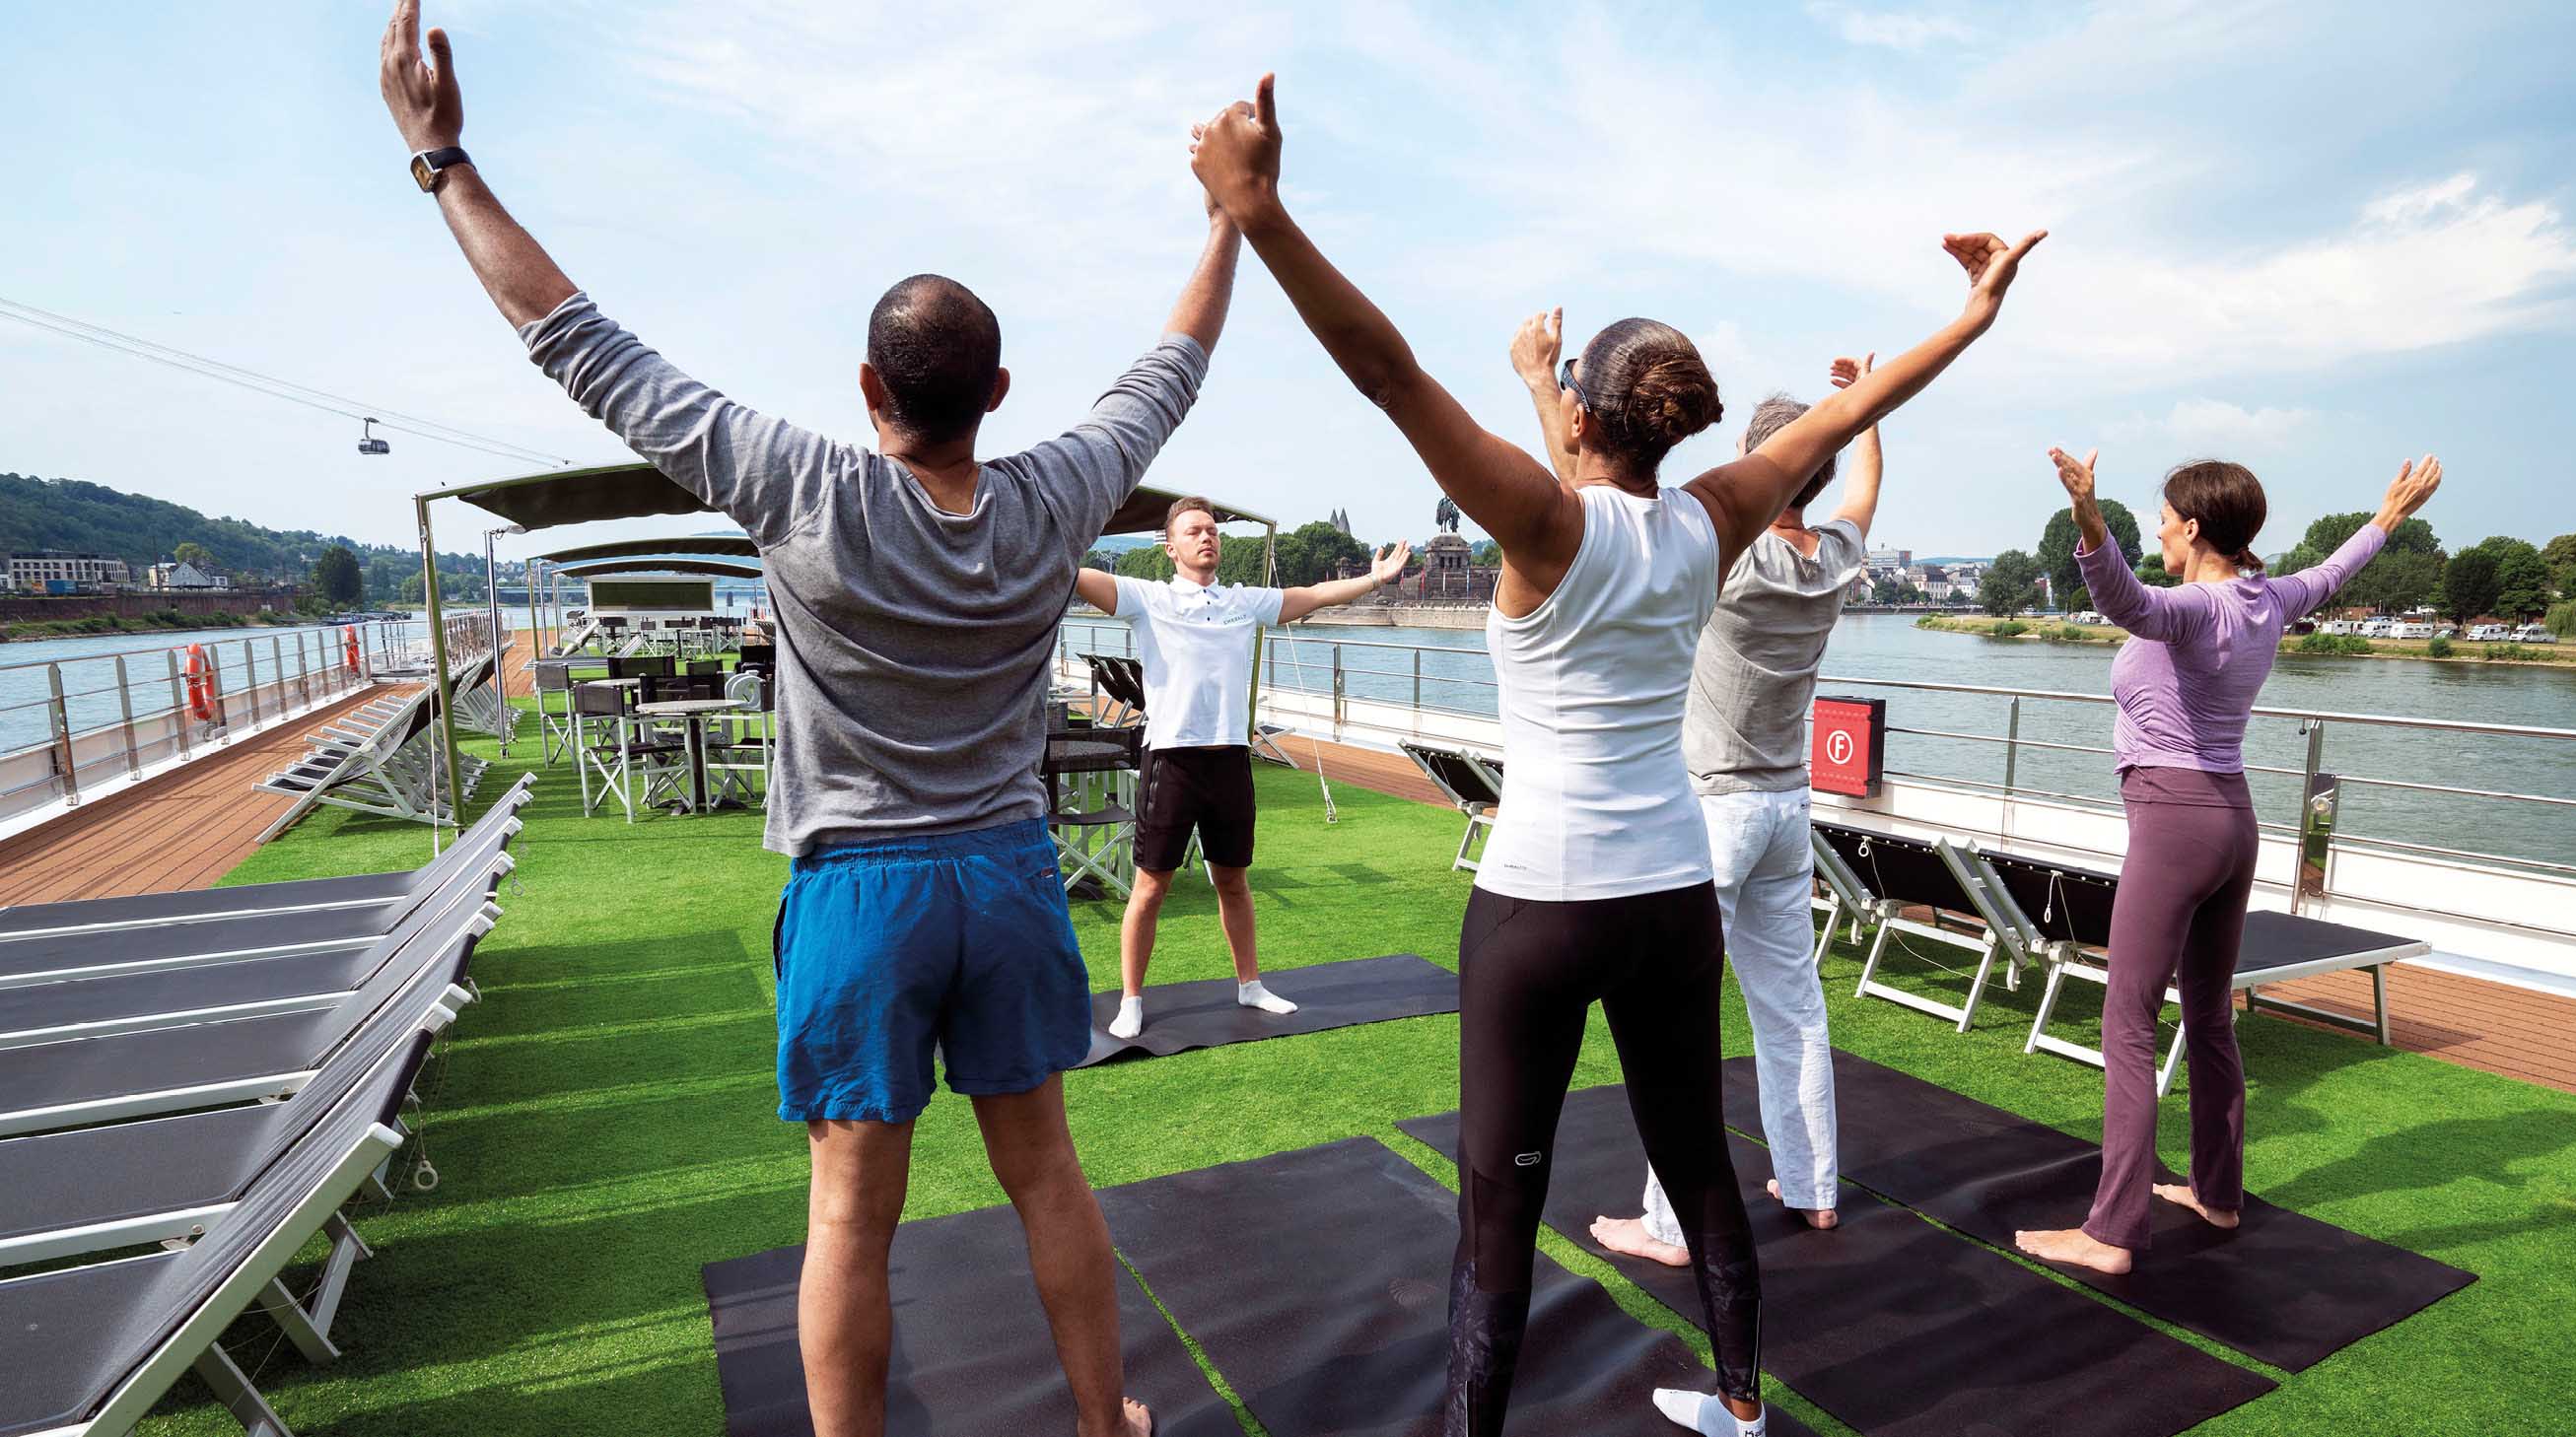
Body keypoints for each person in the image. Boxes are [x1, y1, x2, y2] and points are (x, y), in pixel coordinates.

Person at [378, 7, 1239, 1433]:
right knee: (1049, 1174)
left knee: (849, 1214)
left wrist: (441, 159)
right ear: (1000, 393)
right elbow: (1173, 367)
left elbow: (575, 342)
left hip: (862, 892)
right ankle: (1106, 1423)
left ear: (865, 387)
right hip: (1010, 877)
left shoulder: (800, 483)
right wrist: (1230, 216)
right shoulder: (1055, 492)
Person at [1187, 73, 2041, 1437]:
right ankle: (1744, 1407)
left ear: (1584, 414)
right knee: (1699, 1160)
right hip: (1662, 901)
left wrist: (1261, 213)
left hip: (1536, 904)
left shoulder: (1545, 526)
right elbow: (1834, 424)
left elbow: (1389, 375)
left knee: (1498, 1197)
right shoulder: (1711, 518)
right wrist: (1975, 313)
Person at [2012, 448, 2442, 1277]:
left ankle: (2109, 1233)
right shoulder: (2267, 599)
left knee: (2129, 1021)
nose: (2160, 531)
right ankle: (2215, 1192)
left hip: (2174, 822)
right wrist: (2389, 514)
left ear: (2194, 527)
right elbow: (2334, 569)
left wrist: (2088, 515)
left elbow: (2120, 599)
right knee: (2206, 1013)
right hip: (2234, 822)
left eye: (2164, 519)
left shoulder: (2191, 608)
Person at [1515, 335, 1890, 1261]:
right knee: (1792, 1008)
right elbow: (1860, 495)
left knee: (1674, 1027)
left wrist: (1542, 390)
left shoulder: (1724, 555)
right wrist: (1866, 405)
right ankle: (1812, 1190)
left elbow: (1586, 501)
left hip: (1710, 812)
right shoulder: (1832, 562)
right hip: (1786, 809)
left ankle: (1666, 1222)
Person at [1071, 500, 1409, 1038]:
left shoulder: (1243, 603)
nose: (1206, 537)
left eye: (1211, 530)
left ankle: (1250, 984)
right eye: (1193, 531)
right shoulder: (1147, 597)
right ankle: (1132, 998)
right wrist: (1040, 539)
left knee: (1233, 881)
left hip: (1229, 760)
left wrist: (1373, 580)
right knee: (1151, 886)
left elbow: (1314, 597)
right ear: (1170, 547)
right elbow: (1073, 572)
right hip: (1172, 761)